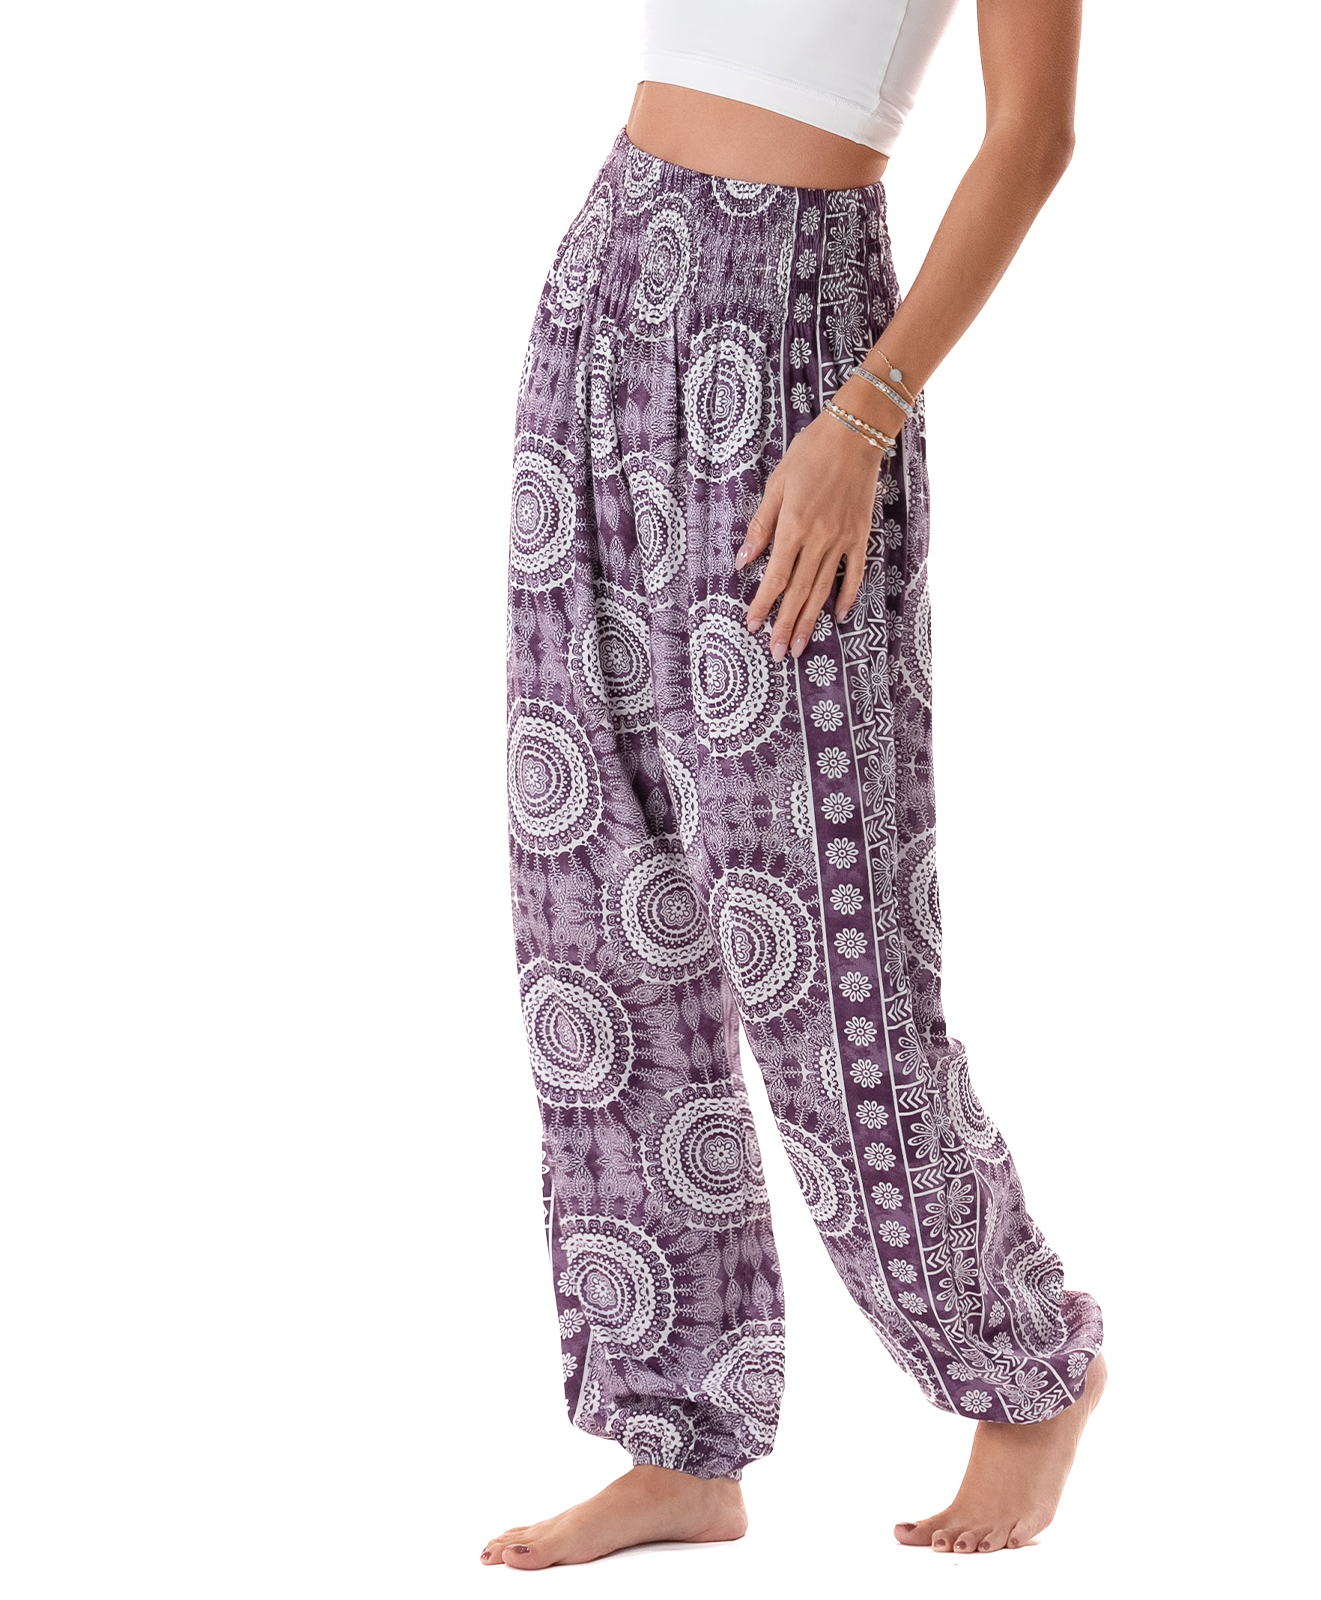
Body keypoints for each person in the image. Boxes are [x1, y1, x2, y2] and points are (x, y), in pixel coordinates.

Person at [487, 0, 1104, 1568]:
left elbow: (1033, 139)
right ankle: (676, 1438)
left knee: (824, 940)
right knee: (599, 907)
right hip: (608, 279)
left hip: (794, 336)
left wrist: (867, 415)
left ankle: (1025, 1368)